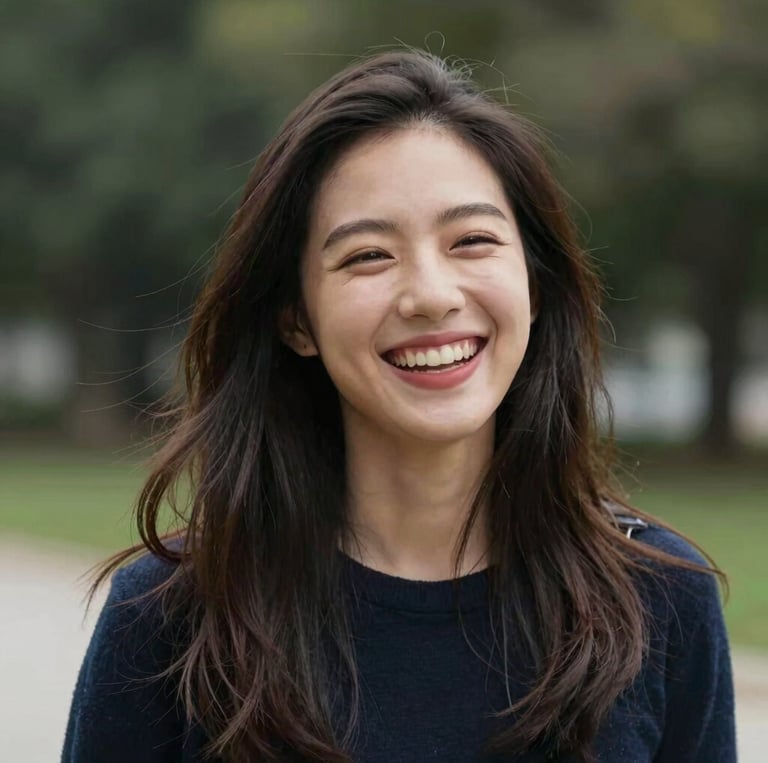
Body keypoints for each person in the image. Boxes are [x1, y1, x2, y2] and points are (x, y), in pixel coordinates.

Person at [62, 50, 735, 762]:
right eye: (368, 255)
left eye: (472, 241)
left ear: (535, 286)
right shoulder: (170, 616)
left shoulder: (660, 599)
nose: (431, 295)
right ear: (296, 319)